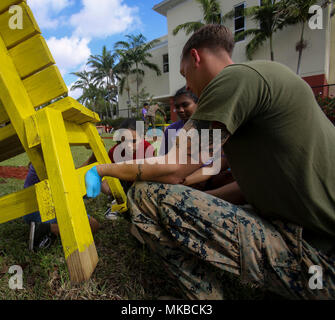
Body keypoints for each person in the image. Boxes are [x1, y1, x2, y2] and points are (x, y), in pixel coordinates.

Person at [84, 24, 335, 299]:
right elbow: (248, 186)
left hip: (318, 260)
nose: (188, 85)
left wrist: (103, 168)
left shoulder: (234, 80)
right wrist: (196, 201)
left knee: (146, 195)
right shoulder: (266, 80)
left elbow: (175, 169)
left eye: (184, 74)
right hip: (313, 247)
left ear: (195, 57)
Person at [23, 163, 100, 251]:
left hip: (32, 210)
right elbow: (70, 184)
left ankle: (50, 232)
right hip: (43, 211)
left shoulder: (39, 161)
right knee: (93, 225)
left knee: (92, 224)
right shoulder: (50, 161)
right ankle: (47, 229)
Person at [159, 86, 198, 156]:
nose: (181, 110)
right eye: (177, 107)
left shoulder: (212, 126)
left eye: (185, 105)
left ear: (197, 104)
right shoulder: (171, 130)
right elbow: (164, 157)